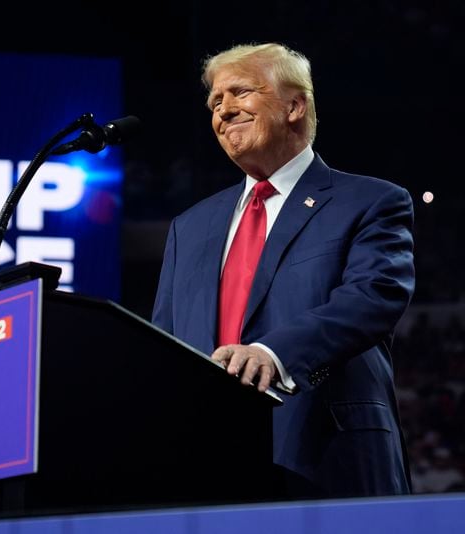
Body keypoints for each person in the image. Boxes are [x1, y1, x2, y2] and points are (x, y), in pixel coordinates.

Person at [152, 42, 415, 498]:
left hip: (327, 456)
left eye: (239, 93)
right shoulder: (188, 228)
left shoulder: (370, 201)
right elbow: (163, 344)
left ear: (295, 105)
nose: (224, 110)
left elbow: (374, 296)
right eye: (215, 102)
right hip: (207, 466)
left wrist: (273, 353)